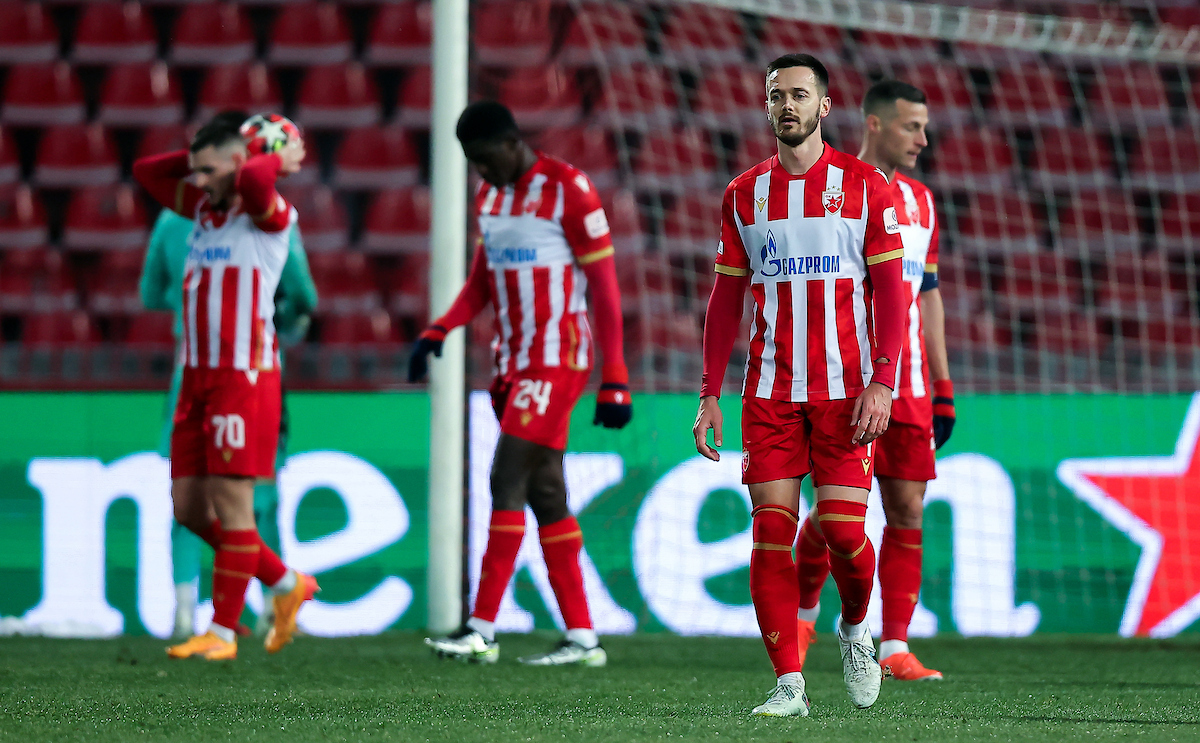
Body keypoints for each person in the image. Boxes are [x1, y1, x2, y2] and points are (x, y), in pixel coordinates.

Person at [692, 54, 907, 716]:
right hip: (771, 394)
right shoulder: (743, 195)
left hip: (846, 393)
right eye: (776, 96)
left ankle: (853, 629)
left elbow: (893, 296)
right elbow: (726, 298)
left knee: (845, 531)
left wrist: (882, 383)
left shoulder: (868, 186)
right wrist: (709, 393)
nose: (786, 105)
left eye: (799, 94)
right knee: (769, 532)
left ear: (825, 106)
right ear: (766, 107)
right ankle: (789, 683)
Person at [411, 101, 632, 666]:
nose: (481, 173)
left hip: (557, 360)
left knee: (503, 477)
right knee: (547, 495)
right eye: (473, 165)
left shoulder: (569, 189)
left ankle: (480, 628)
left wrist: (616, 376)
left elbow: (604, 286)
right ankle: (584, 638)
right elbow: (484, 279)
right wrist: (442, 327)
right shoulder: (491, 198)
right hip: (508, 364)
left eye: (486, 160)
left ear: (512, 143)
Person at [132, 114, 318, 661]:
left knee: (235, 507)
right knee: (190, 510)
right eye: (195, 172)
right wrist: (207, 160)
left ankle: (224, 631)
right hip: (195, 378)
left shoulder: (268, 216)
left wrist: (266, 159)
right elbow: (145, 172)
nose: (198, 180)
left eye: (210, 170)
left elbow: (258, 184)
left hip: (244, 376)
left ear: (240, 164)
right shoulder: (202, 213)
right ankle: (286, 585)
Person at [792, 80, 955, 681]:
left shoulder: (923, 203)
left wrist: (942, 384)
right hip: (845, 381)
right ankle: (806, 611)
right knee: (837, 518)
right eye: (912, 126)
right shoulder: (827, 191)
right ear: (875, 124)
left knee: (907, 509)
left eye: (925, 126)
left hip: (907, 385)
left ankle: (893, 647)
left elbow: (927, 295)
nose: (923, 138)